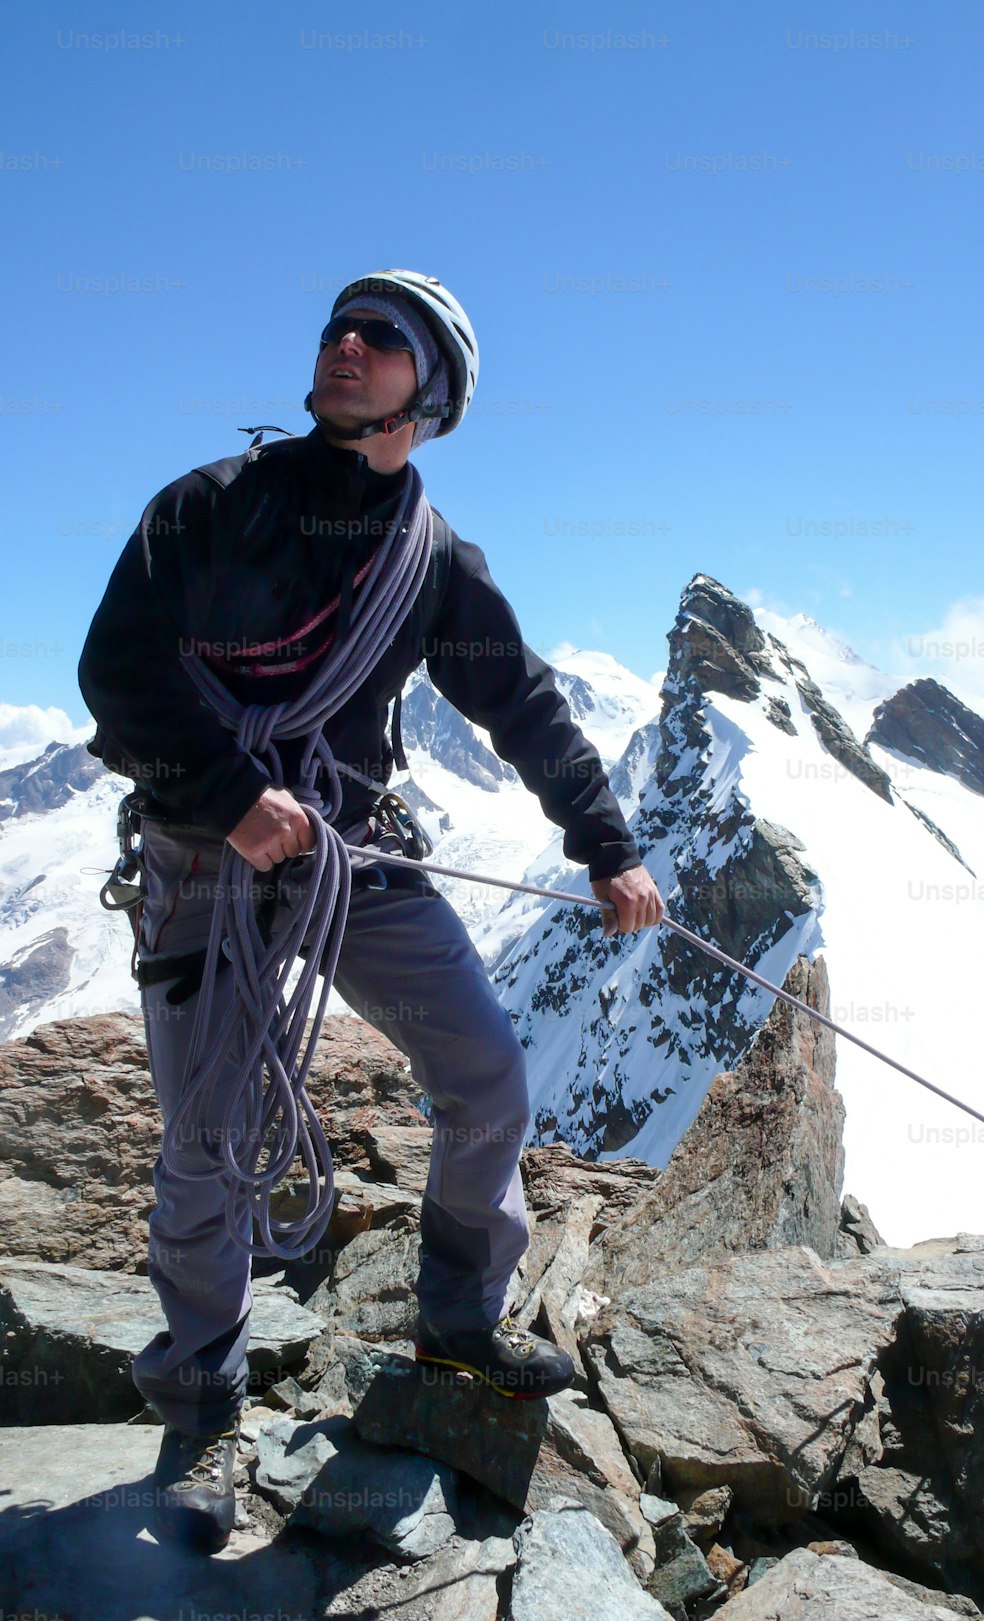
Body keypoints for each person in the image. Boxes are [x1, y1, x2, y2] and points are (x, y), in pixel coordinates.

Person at [78, 269, 664, 1552]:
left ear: (431, 392)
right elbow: (115, 671)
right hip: (207, 856)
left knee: (488, 1079)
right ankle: (199, 1407)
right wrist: (233, 795)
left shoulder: (433, 564)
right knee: (206, 1142)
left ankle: (458, 1321)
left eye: (380, 338)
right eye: (340, 327)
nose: (345, 344)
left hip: (351, 856)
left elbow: (524, 707)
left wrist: (607, 848)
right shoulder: (211, 508)